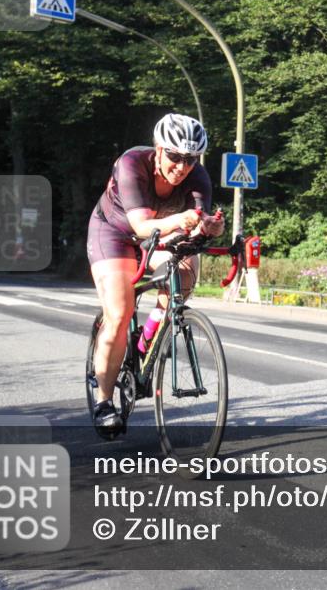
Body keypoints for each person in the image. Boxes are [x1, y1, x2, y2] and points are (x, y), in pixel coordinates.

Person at [86, 113, 225, 431]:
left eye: (190, 159)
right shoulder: (132, 163)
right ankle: (104, 402)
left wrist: (209, 228)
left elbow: (194, 229)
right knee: (119, 315)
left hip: (159, 237)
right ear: (159, 149)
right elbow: (140, 226)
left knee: (185, 273)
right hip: (115, 234)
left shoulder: (197, 178)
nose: (182, 167)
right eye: (175, 157)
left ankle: (145, 341)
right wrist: (183, 219)